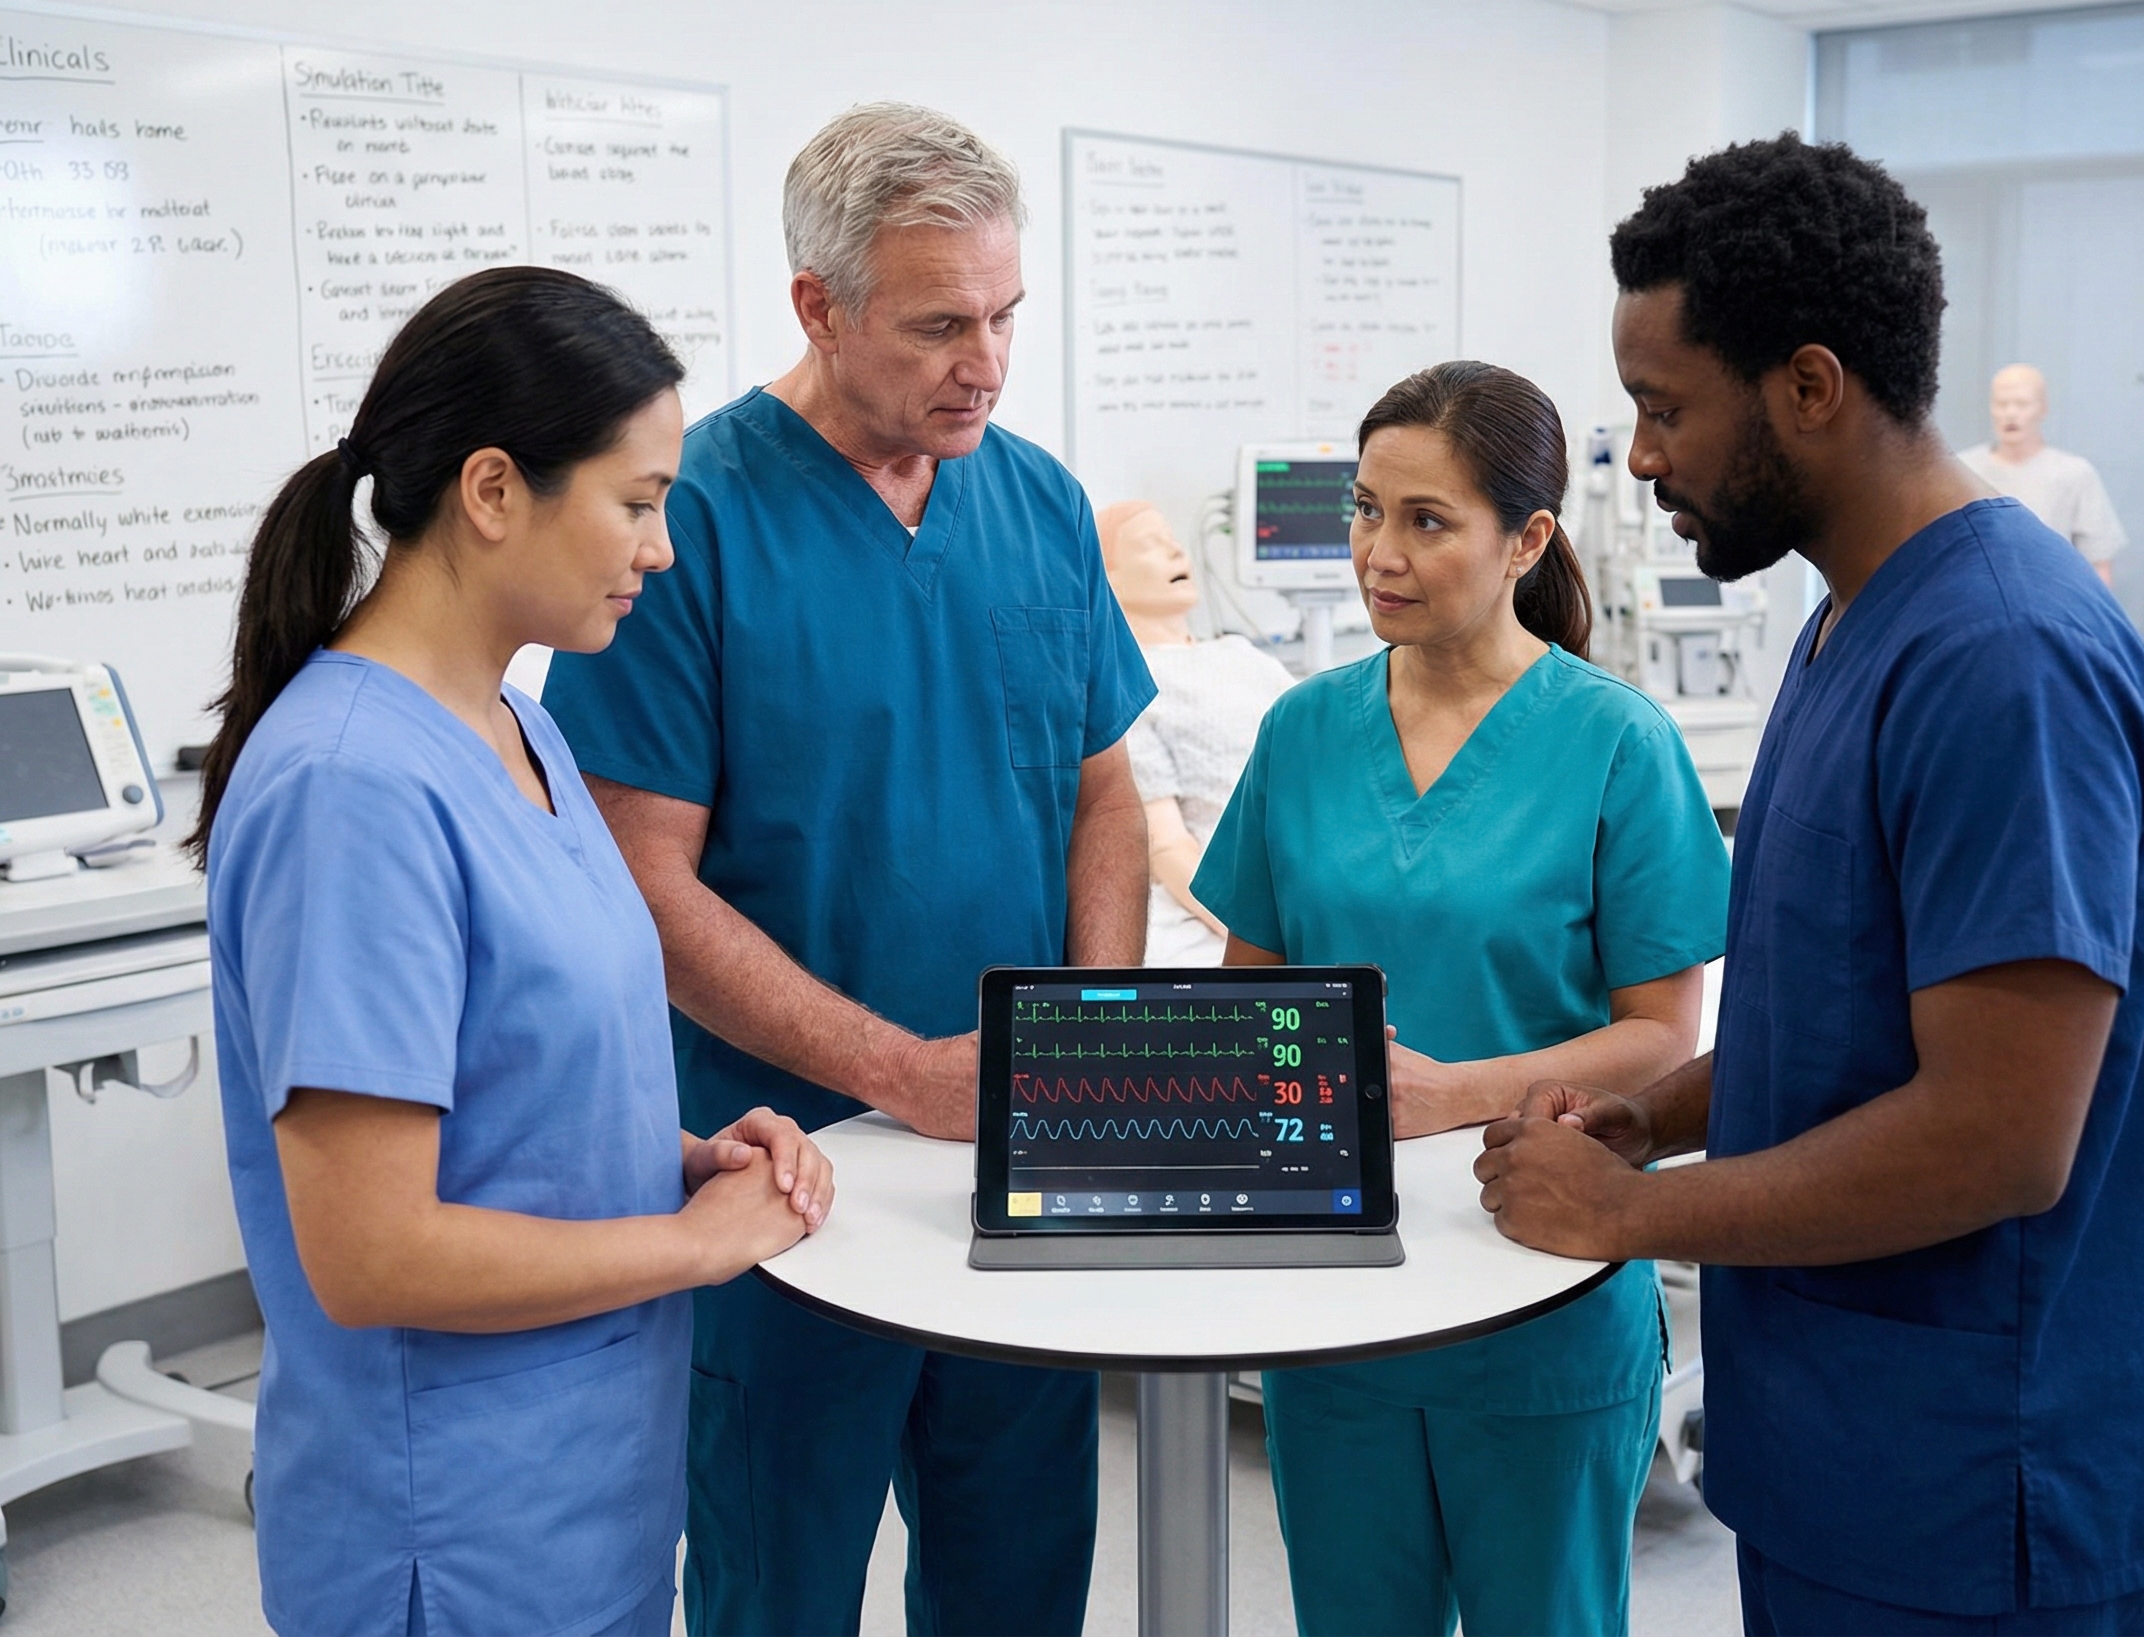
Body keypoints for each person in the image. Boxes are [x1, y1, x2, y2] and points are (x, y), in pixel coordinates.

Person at [1476, 135, 2144, 1635]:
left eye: (1666, 408)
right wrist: (1661, 1116)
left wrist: (1629, 1217)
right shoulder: (1847, 624)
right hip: (1839, 1447)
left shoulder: (2003, 660)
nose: (1644, 456)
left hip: (1978, 1479)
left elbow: (1999, 1137)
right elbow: (1847, 1013)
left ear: (1810, 387)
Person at [541, 103, 1153, 1637]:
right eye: (942, 324)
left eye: (1008, 316)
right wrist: (900, 1073)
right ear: (819, 306)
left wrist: (1089, 1028)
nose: (988, 364)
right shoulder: (692, 522)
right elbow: (646, 885)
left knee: (1018, 1581)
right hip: (781, 1180)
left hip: (1017, 1170)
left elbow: (1104, 797)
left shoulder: (1039, 504)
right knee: (781, 1586)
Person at [197, 266, 831, 1637]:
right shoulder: (351, 788)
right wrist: (694, 1249)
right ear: (493, 492)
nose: (660, 548)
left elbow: (508, 1092)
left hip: (583, 1488)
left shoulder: (524, 732)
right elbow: (374, 1253)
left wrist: (679, 1164)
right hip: (449, 1528)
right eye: (638, 501)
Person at [1192, 362, 1730, 1637]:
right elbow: (1248, 1005)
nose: (1379, 552)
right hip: (1335, 1299)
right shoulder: (1303, 732)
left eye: (1425, 520)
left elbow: (1665, 1038)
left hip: (1536, 1289)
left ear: (1527, 537)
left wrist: (1442, 1096)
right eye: (1365, 510)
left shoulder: (1616, 743)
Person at [1097, 499, 1295, 967]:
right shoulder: (1128, 680)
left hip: (1296, 878)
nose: (1174, 553)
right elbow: (1166, 846)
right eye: (1150, 546)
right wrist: (1256, 936)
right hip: (1208, 903)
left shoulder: (1245, 655)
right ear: (1105, 579)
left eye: (1172, 540)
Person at [1958, 363, 2127, 583]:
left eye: (2022, 404)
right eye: (2001, 404)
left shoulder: (2074, 473)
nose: (2010, 413)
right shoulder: (1962, 470)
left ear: (2042, 408)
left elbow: (2098, 563)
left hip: (2051, 601)